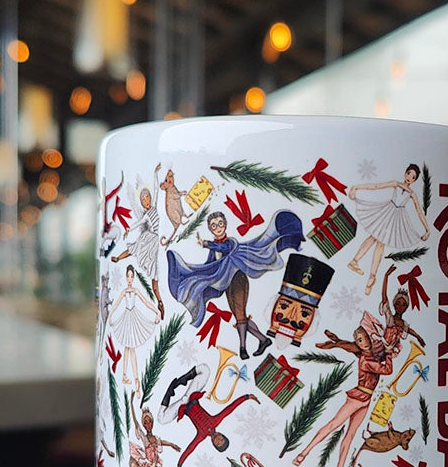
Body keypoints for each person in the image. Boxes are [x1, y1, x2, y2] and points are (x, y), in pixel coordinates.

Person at [167, 209, 303, 359]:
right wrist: (199, 277)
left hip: (238, 279)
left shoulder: (231, 242)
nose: (218, 228)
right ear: (210, 229)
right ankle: (263, 340)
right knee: (240, 315)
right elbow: (210, 265)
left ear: (225, 225)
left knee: (239, 315)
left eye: (220, 224)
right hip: (226, 284)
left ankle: (243, 348)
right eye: (214, 226)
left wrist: (206, 243)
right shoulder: (213, 250)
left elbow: (224, 248)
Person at [291, 327, 393, 467]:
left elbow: (350, 347)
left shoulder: (369, 354)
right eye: (359, 340)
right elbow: (386, 370)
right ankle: (303, 453)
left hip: (366, 400)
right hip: (357, 398)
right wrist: (390, 354)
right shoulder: (366, 360)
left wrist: (337, 342)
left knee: (350, 434)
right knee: (333, 425)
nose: (364, 342)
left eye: (365, 338)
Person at [160, 365, 258, 467]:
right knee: (206, 370)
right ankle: (183, 379)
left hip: (182, 406)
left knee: (161, 419)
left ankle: (169, 391)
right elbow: (230, 409)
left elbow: (190, 448)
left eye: (218, 443)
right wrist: (247, 397)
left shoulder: (201, 435)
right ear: (222, 435)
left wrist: (179, 465)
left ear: (214, 444)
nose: (218, 440)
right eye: (221, 439)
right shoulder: (216, 421)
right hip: (191, 396)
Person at [347, 165, 430, 294]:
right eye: (409, 174)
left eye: (413, 177)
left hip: (397, 218)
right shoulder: (396, 184)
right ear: (405, 173)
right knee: (374, 237)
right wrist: (356, 187)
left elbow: (419, 212)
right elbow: (376, 186)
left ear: (415, 180)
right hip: (387, 211)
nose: (409, 178)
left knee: (380, 243)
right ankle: (358, 264)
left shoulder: (412, 194)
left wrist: (427, 229)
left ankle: (370, 275)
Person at [111, 163, 164, 308]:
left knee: (155, 273)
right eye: (143, 200)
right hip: (150, 239)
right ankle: (118, 257)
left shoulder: (155, 207)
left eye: (147, 197)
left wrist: (155, 173)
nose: (146, 201)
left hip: (157, 240)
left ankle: (159, 301)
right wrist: (128, 229)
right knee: (135, 248)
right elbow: (138, 223)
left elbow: (156, 188)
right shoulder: (146, 215)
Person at [108, 264, 163, 391]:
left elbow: (146, 302)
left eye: (131, 276)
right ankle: (130, 377)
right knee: (128, 347)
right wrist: (110, 316)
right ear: (126, 277)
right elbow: (116, 304)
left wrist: (157, 311)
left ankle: (131, 377)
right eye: (128, 276)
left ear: (133, 278)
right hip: (127, 317)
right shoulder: (125, 291)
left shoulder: (135, 291)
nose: (129, 278)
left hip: (133, 316)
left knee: (129, 347)